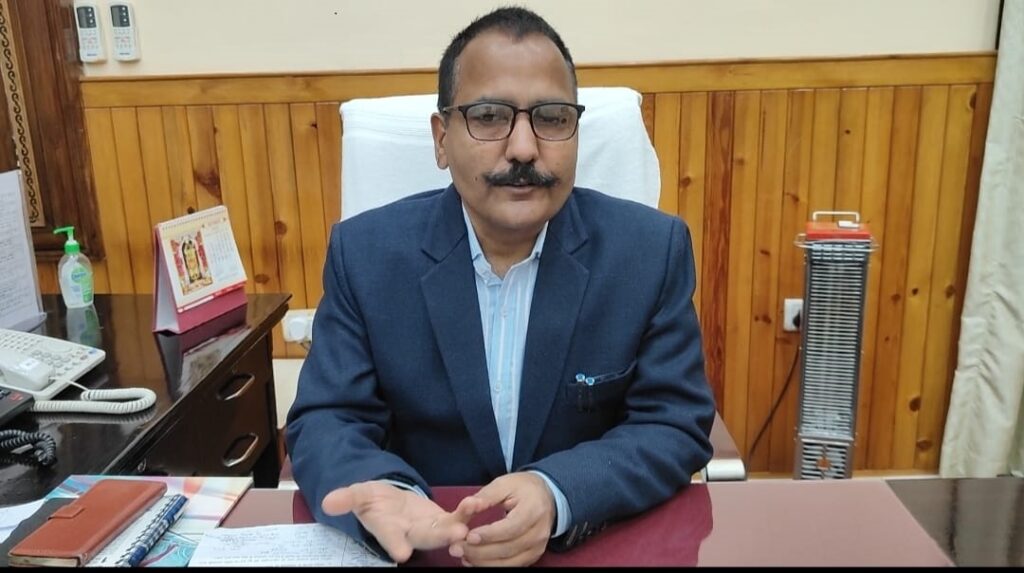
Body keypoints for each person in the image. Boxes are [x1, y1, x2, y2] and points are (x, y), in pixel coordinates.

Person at [286, 6, 715, 567]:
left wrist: (556, 493)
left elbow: (673, 421)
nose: (523, 149)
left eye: (552, 118)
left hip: (586, 548)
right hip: (425, 553)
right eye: (489, 117)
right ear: (442, 139)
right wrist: (389, 492)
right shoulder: (365, 255)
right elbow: (327, 418)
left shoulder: (649, 252)